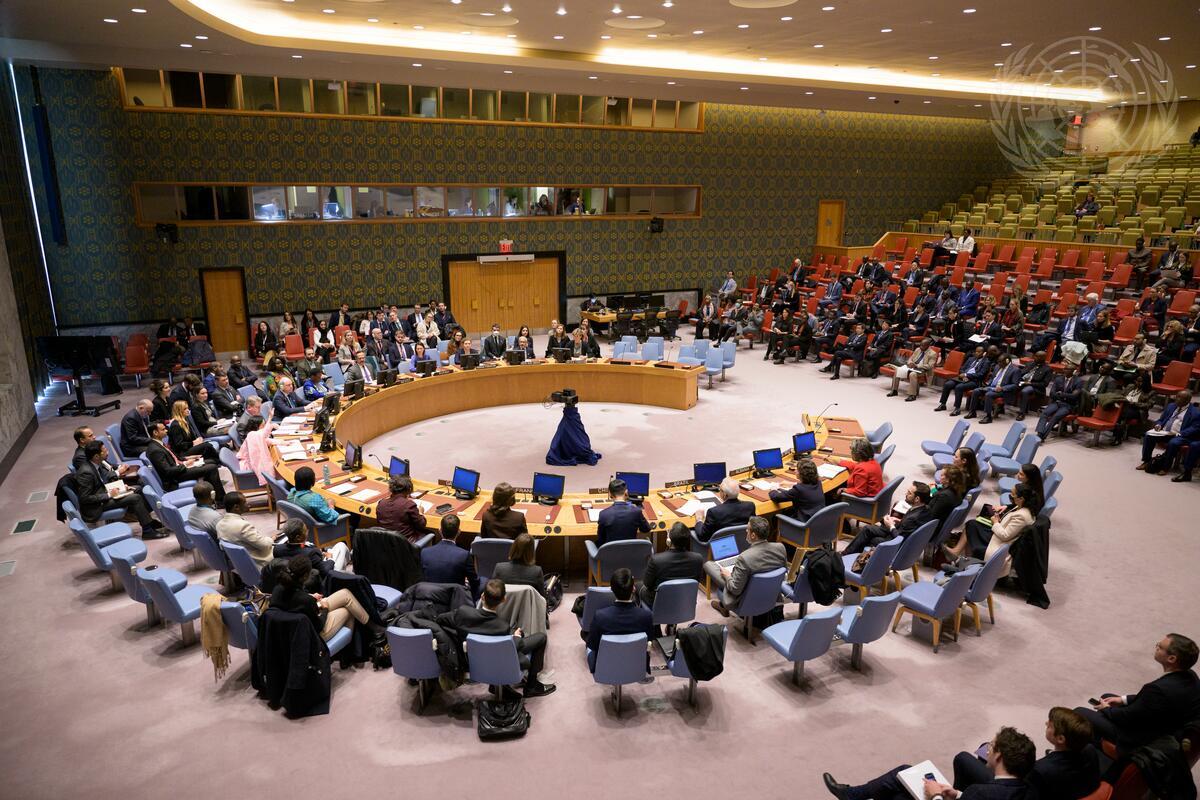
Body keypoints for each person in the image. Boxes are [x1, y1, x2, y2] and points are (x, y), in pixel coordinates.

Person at [823, 725, 1037, 799]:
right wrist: (958, 795)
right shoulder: (1030, 790)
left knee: (901, 784)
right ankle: (853, 795)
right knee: (906, 774)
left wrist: (935, 794)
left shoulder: (981, 792)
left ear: (998, 757)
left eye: (991, 746)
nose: (987, 750)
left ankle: (852, 795)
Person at [1075, 633, 1200, 754]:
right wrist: (1123, 699)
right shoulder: (1191, 676)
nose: (1156, 647)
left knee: (1079, 712)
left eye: (1160, 647)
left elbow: (1128, 717)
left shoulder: (1157, 689)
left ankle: (1087, 750)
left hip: (1139, 739)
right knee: (1107, 697)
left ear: (1171, 658)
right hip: (1165, 727)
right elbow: (1154, 701)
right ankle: (1097, 738)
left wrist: (1106, 709)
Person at [437, 578, 556, 697]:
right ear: (504, 599)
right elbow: (514, 646)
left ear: (482, 596)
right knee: (541, 637)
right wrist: (516, 636)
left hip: (471, 664)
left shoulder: (462, 613)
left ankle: (499, 687)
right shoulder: (502, 627)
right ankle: (531, 686)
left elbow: (440, 620)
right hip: (499, 661)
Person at [271, 555, 377, 641]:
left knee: (345, 594)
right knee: (347, 610)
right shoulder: (305, 600)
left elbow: (293, 600)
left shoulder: (278, 589)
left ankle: (372, 625)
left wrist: (310, 596)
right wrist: (325, 609)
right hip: (312, 636)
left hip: (293, 629)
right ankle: (348, 652)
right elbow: (319, 625)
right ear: (305, 576)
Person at [74, 440, 165, 537]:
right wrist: (109, 495)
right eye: (104, 451)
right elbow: (85, 498)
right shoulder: (86, 472)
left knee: (137, 489)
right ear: (96, 456)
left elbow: (103, 482)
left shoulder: (97, 464)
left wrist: (121, 487)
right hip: (95, 506)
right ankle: (147, 531)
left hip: (103, 495)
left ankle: (148, 521)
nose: (107, 452)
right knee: (135, 498)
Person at [944, 482, 1036, 576]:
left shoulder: (1022, 516)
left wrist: (995, 522)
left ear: (1021, 499)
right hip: (998, 535)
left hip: (999, 544)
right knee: (973, 524)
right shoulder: (1020, 506)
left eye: (1012, 495)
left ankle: (966, 565)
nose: (1010, 496)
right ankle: (964, 562)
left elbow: (1005, 536)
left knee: (972, 527)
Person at [703, 516, 786, 616]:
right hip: (771, 592)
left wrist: (727, 576)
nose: (746, 531)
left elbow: (735, 589)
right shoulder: (781, 548)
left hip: (746, 596)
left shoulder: (744, 557)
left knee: (709, 565)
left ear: (753, 535)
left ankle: (723, 605)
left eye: (748, 529)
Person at [586, 568, 655, 672]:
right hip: (637, 666)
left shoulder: (600, 616)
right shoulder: (646, 616)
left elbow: (592, 645)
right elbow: (649, 642)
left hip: (605, 668)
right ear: (633, 589)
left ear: (611, 589)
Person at [844, 481, 934, 554]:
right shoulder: (925, 509)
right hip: (901, 530)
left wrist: (891, 526)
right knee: (867, 529)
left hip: (896, 543)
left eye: (909, 493)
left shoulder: (913, 517)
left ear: (917, 499)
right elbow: (909, 526)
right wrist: (899, 520)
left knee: (872, 539)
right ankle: (848, 553)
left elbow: (899, 538)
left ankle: (849, 556)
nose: (906, 494)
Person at [145, 422, 225, 500]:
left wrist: (188, 458)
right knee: (211, 468)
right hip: (175, 477)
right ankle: (220, 500)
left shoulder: (158, 444)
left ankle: (208, 496)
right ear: (155, 432)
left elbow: (173, 458)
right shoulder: (155, 450)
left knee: (210, 462)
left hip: (178, 468)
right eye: (163, 429)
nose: (166, 430)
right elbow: (167, 471)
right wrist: (186, 464)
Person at [639, 522, 704, 607]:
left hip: (659, 603)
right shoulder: (698, 559)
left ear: (669, 540)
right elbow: (697, 581)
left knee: (639, 586)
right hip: (684, 601)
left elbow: (647, 584)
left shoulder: (656, 560)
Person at [1137, 390, 1199, 477]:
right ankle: (1146, 461)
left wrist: (1181, 433)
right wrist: (1159, 425)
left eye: (1180, 398)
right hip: (1165, 432)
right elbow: (1161, 419)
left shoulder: (1195, 412)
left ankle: (1165, 467)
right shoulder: (1171, 406)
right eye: (1177, 396)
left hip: (1179, 435)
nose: (1176, 399)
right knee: (1148, 435)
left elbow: (1195, 428)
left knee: (1173, 443)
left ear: (1187, 400)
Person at [215, 492, 275, 566]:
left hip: (241, 565)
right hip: (260, 563)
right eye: (245, 502)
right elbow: (265, 545)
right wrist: (271, 539)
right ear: (236, 507)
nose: (248, 504)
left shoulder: (219, 525)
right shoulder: (243, 526)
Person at [273, 518, 350, 574]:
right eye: (306, 530)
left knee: (335, 549)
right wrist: (330, 559)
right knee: (341, 546)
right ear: (298, 537)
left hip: (299, 575)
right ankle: (341, 577)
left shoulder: (277, 549)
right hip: (320, 579)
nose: (307, 532)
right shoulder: (311, 553)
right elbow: (325, 570)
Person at [420, 514, 476, 590]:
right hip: (454, 597)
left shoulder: (425, 552)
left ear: (440, 531)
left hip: (431, 595)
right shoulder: (464, 555)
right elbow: (474, 583)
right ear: (459, 532)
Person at [935, 345, 993, 415]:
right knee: (948, 384)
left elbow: (981, 375)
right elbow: (962, 368)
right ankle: (943, 404)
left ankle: (957, 408)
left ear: (984, 353)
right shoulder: (971, 359)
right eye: (976, 351)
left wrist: (967, 375)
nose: (977, 353)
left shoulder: (986, 362)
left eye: (979, 352)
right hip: (962, 378)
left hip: (975, 381)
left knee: (959, 387)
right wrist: (963, 375)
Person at [693, 477, 755, 543]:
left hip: (721, 548)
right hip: (744, 543)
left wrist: (699, 519)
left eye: (720, 490)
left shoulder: (714, 512)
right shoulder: (750, 506)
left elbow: (703, 537)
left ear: (724, 494)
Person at [965, 353, 1020, 423]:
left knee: (989, 394)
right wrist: (987, 383)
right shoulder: (997, 366)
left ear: (1007, 361)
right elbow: (993, 378)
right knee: (976, 391)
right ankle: (972, 412)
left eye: (1000, 362)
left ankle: (988, 417)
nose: (998, 363)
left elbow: (1015, 385)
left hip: (1003, 391)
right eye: (998, 362)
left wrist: (1002, 388)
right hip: (991, 387)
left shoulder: (1015, 370)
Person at [596, 478, 650, 546]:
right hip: (632, 553)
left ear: (610, 494)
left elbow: (601, 538)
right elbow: (646, 529)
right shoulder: (637, 511)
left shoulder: (603, 514)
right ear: (626, 492)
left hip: (609, 554)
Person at [1036, 365, 1083, 439]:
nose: (1066, 371)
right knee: (1045, 413)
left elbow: (1074, 396)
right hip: (1057, 402)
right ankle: (1040, 433)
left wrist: (1061, 394)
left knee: (1055, 417)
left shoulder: (1078, 381)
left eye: (1068, 369)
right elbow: (1052, 393)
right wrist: (1063, 395)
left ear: (1074, 372)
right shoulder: (1058, 379)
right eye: (1065, 369)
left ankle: (1042, 436)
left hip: (1068, 405)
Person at [492, 533, 546, 599]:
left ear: (513, 548)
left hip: (504, 608)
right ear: (532, 551)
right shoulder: (537, 571)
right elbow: (542, 599)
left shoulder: (499, 568)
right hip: (527, 608)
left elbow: (492, 595)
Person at [1013, 351, 1053, 421]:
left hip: (1035, 387)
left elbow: (1044, 384)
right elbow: (1021, 373)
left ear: (1043, 358)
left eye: (1038, 356)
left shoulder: (1047, 369)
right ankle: (1001, 407)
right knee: (1010, 385)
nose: (1035, 357)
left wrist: (1029, 383)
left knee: (1025, 391)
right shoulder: (1030, 364)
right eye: (1035, 356)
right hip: (1023, 382)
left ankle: (1021, 413)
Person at [236, 416, 275, 486]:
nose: (264, 427)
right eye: (263, 425)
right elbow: (256, 459)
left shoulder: (257, 435)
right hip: (249, 464)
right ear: (257, 426)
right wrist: (270, 423)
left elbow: (269, 441)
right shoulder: (252, 435)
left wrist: (284, 442)